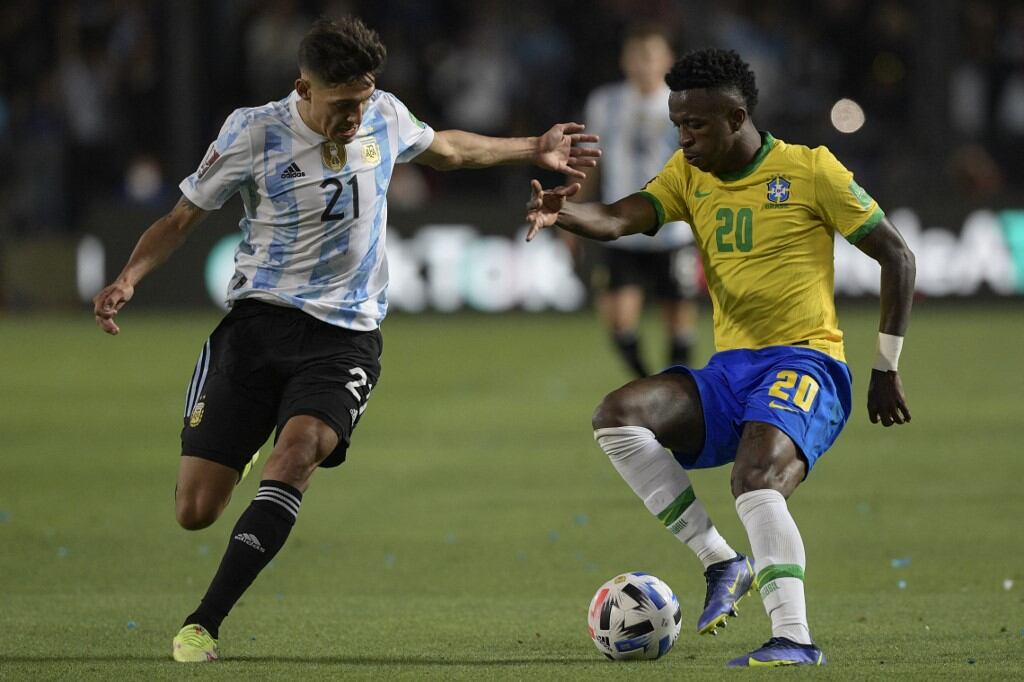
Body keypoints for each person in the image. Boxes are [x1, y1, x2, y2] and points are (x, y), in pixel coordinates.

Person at [92, 16, 599, 663]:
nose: (356, 117)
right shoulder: (254, 132)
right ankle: (242, 441)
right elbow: (182, 216)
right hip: (257, 326)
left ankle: (204, 622)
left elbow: (447, 150)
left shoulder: (384, 114)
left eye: (362, 99)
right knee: (195, 510)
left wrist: (533, 147)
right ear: (303, 88)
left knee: (297, 453)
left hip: (345, 336)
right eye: (341, 105)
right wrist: (129, 277)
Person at [525, 48, 914, 667]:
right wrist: (563, 212)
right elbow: (622, 217)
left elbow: (898, 256)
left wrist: (885, 366)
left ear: (736, 118)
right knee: (617, 416)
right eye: (678, 124)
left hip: (807, 362)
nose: (683, 138)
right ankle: (721, 561)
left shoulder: (810, 169)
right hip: (732, 371)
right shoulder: (687, 174)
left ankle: (794, 637)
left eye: (695, 125)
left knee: (755, 479)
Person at [571, 24, 700, 377]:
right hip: (621, 227)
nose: (643, 64)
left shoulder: (685, 104)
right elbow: (590, 163)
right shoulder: (605, 102)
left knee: (678, 322)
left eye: (650, 56)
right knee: (617, 321)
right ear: (624, 60)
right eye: (636, 56)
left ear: (667, 60)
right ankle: (647, 383)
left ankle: (676, 390)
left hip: (672, 231)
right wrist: (572, 211)